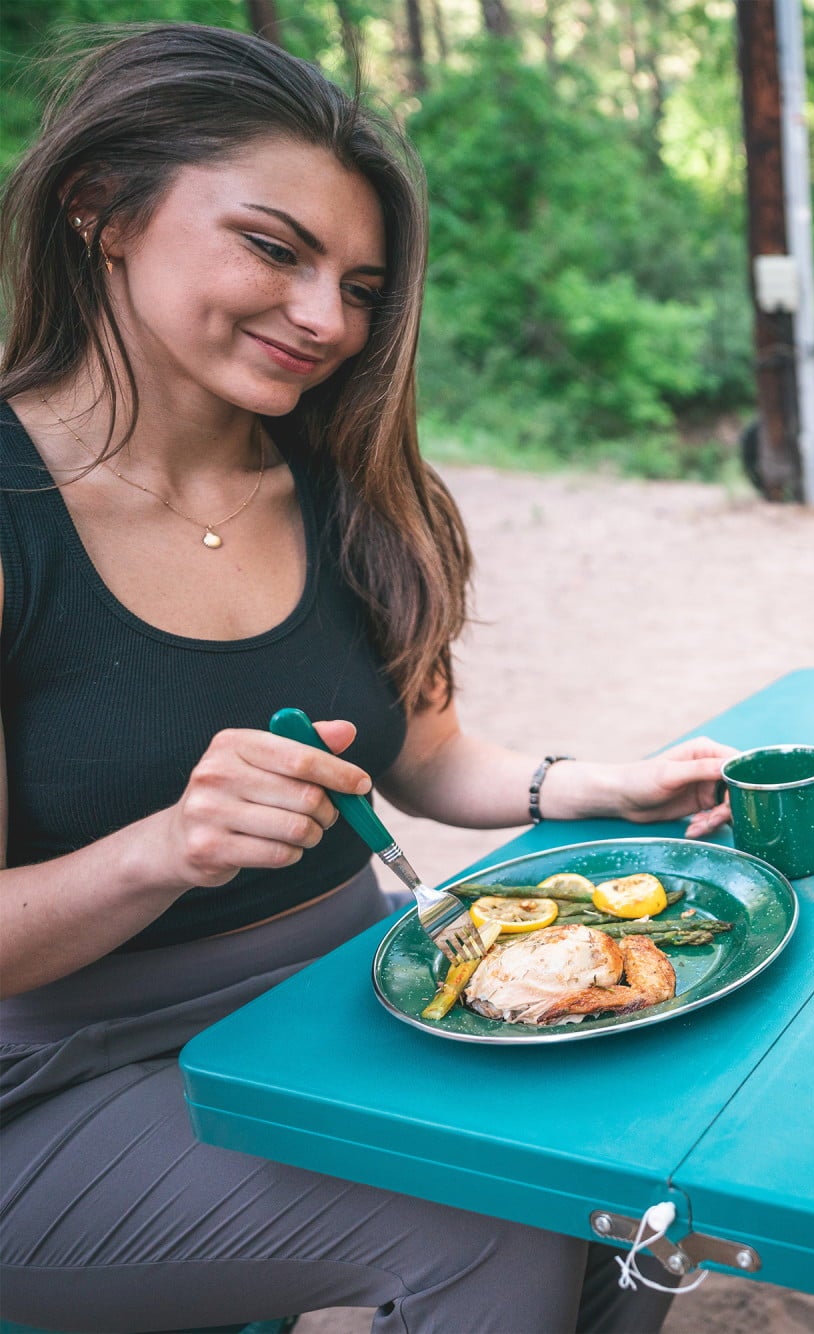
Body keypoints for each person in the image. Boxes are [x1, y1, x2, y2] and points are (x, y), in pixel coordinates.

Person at [0, 26, 735, 1332]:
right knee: (477, 1226)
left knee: (664, 1156)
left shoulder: (346, 485)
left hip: (356, 997)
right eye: (275, 249)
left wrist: (583, 784)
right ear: (102, 206)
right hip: (63, 1074)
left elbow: (427, 755)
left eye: (360, 283)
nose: (325, 319)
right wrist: (166, 847)